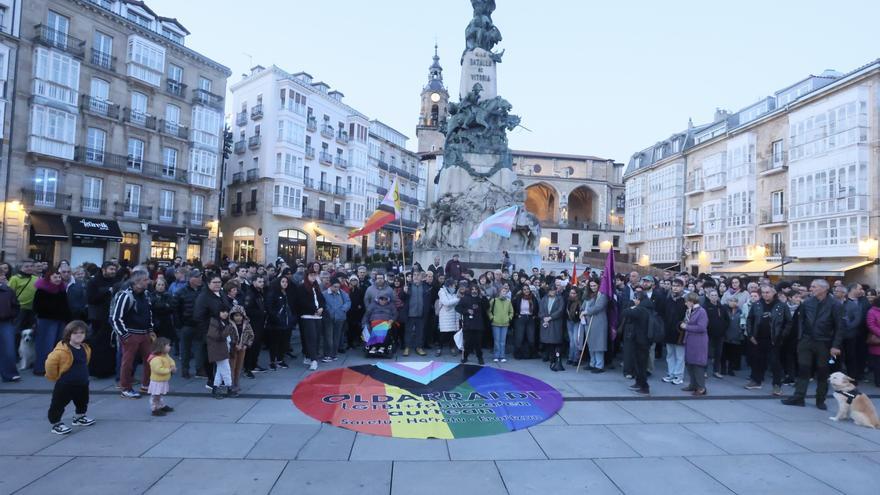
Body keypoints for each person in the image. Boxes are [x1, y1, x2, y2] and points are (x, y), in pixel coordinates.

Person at [782, 279, 844, 410]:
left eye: (814, 287)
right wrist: (800, 338)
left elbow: (840, 327)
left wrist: (836, 345)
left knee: (822, 372)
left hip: (824, 342)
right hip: (806, 340)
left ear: (824, 288)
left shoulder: (835, 304)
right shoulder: (807, 302)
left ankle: (820, 400)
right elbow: (800, 321)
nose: (811, 289)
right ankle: (799, 397)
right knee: (803, 369)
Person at [45, 321, 95, 434]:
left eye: (82, 333)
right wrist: (54, 376)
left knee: (82, 401)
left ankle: (79, 417)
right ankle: (56, 423)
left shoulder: (85, 348)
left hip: (82, 382)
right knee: (59, 403)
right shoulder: (62, 350)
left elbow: (85, 362)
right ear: (68, 335)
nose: (79, 335)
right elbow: (50, 363)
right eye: (75, 333)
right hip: (65, 383)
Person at [111, 271, 155, 399]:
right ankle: (125, 387)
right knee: (128, 362)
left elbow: (149, 313)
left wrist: (150, 329)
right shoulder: (126, 296)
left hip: (144, 333)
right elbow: (116, 317)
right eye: (146, 280)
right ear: (137, 282)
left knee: (150, 360)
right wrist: (125, 335)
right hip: (131, 334)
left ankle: (146, 385)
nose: (149, 282)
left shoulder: (146, 295)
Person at [744, 284, 791, 395]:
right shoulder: (757, 305)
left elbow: (788, 322)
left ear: (773, 293)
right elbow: (749, 320)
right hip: (758, 338)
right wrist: (750, 335)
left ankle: (776, 385)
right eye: (763, 292)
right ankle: (756, 381)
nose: (765, 295)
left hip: (774, 339)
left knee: (775, 363)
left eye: (768, 292)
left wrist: (782, 335)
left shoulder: (782, 306)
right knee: (757, 361)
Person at [31, 269, 71, 376]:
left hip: (60, 320)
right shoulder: (41, 291)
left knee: (58, 345)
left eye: (59, 277)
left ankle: (55, 367)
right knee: (45, 345)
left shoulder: (62, 290)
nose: (58, 279)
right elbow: (37, 307)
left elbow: (66, 306)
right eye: (55, 277)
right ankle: (41, 368)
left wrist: (68, 319)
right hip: (46, 320)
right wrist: (53, 310)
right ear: (49, 279)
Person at [193, 275, 231, 388]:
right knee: (210, 357)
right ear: (209, 283)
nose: (217, 284)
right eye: (214, 282)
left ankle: (219, 380)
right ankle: (211, 380)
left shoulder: (222, 294)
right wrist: (208, 331)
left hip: (222, 329)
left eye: (219, 282)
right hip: (210, 331)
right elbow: (198, 316)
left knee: (221, 356)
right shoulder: (204, 297)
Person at [174, 269, 203, 379]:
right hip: (186, 324)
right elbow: (175, 309)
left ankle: (199, 369)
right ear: (191, 279)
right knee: (185, 349)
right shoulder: (181, 292)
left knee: (199, 348)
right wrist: (179, 325)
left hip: (200, 324)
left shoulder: (203, 290)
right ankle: (185, 369)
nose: (200, 279)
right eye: (198, 277)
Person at [621, 292, 651, 394]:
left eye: (635, 299)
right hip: (641, 339)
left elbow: (625, 312)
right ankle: (639, 382)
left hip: (641, 340)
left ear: (639, 300)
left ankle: (644, 386)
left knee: (641, 364)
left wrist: (632, 306)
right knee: (638, 363)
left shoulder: (641, 309)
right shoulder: (646, 307)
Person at [296, 271, 325, 371]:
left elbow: (321, 299)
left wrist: (321, 308)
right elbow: (302, 302)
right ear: (307, 276)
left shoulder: (316, 287)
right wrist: (314, 310)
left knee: (317, 338)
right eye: (311, 275)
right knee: (311, 337)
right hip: (307, 316)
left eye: (315, 275)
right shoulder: (301, 287)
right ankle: (313, 360)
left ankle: (310, 356)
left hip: (318, 316)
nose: (313, 277)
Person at [681, 292, 709, 396]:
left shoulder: (701, 312)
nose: (685, 303)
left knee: (698, 364)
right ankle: (693, 384)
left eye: (686, 301)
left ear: (692, 301)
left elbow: (702, 328)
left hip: (699, 341)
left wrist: (687, 327)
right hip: (690, 340)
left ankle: (701, 387)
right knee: (690, 363)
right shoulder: (689, 311)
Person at [266, 276, 294, 370]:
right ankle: (272, 361)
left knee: (284, 342)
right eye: (283, 281)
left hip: (286, 322)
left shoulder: (288, 293)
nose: (285, 283)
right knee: (274, 343)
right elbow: (270, 308)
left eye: (286, 282)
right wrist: (276, 317)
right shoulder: (273, 293)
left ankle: (280, 360)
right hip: (275, 323)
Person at [206, 308, 235, 398]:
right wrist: (228, 329)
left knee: (220, 371)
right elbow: (218, 336)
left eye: (226, 311)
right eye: (223, 311)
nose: (225, 313)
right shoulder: (215, 322)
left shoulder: (220, 322)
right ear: (218, 312)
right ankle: (228, 388)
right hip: (218, 350)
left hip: (221, 350)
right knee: (226, 370)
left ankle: (215, 389)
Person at [456, 283, 487, 364]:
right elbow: (457, 308)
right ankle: (465, 357)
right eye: (472, 289)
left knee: (478, 343)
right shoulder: (465, 298)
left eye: (476, 289)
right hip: (468, 324)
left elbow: (487, 306)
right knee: (467, 343)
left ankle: (480, 358)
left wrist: (483, 297)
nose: (474, 291)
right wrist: (466, 311)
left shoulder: (480, 298)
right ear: (470, 290)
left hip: (478, 324)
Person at [243, 275, 268, 377]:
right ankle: (248, 367)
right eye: (259, 281)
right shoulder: (251, 293)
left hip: (260, 323)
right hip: (253, 323)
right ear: (253, 282)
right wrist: (261, 313)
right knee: (251, 346)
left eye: (262, 281)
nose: (262, 283)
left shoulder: (260, 293)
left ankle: (253, 364)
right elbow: (247, 309)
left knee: (257, 345)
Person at [703, 287, 729, 379]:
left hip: (720, 334)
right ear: (709, 297)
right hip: (708, 334)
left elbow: (727, 320)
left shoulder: (722, 307)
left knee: (718, 353)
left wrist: (723, 329)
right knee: (706, 353)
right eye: (712, 295)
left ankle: (716, 371)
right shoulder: (705, 307)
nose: (714, 297)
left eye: (715, 295)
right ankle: (704, 371)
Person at [323, 277, 351, 362]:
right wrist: (329, 310)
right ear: (330, 286)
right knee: (328, 337)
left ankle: (334, 354)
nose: (337, 288)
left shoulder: (342, 293)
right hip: (328, 318)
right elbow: (323, 304)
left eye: (338, 287)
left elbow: (348, 302)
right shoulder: (324, 294)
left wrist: (343, 309)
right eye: (335, 287)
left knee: (336, 337)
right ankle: (328, 354)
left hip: (340, 318)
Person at [402, 272, 430, 357]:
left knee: (420, 332)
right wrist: (404, 292)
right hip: (410, 314)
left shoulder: (425, 287)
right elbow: (401, 298)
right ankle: (407, 347)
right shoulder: (408, 286)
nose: (416, 277)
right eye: (414, 275)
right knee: (408, 332)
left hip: (421, 314)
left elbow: (428, 299)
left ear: (421, 277)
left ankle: (419, 347)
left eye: (418, 275)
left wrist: (426, 310)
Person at [539, 284, 565, 371]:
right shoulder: (544, 298)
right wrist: (544, 318)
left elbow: (560, 310)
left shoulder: (560, 298)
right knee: (548, 341)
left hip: (555, 322)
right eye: (550, 291)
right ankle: (551, 357)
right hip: (546, 321)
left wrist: (551, 317)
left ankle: (556, 359)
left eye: (553, 290)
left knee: (555, 341)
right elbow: (541, 310)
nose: (552, 292)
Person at [228, 306, 254, 392]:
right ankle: (230, 384)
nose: (238, 317)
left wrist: (246, 344)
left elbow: (251, 335)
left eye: (240, 315)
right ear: (232, 316)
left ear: (243, 316)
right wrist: (234, 345)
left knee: (239, 367)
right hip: (232, 350)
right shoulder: (230, 325)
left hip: (243, 348)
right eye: (236, 316)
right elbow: (228, 337)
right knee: (232, 367)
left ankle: (236, 382)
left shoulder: (247, 325)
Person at [147, 337, 176, 416]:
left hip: (162, 380)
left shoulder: (165, 355)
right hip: (157, 381)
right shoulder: (156, 359)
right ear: (162, 347)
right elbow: (158, 370)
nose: (170, 347)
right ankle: (155, 409)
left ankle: (161, 406)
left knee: (159, 395)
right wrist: (169, 370)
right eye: (168, 345)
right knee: (155, 396)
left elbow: (171, 361)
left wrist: (173, 365)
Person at [0, 272, 21, 382]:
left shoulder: (8, 291)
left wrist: (11, 314)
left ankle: (9, 373)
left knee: (8, 349)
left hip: (5, 322)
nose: (2, 277)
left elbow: (16, 306)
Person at [8, 259, 38, 335]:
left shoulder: (37, 279)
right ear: (21, 268)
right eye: (27, 266)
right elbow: (9, 293)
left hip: (32, 309)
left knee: (30, 331)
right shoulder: (15, 279)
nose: (29, 268)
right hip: (19, 309)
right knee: (16, 331)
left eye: (31, 266)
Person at [512, 284, 538, 359]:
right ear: (522, 291)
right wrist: (517, 315)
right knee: (519, 337)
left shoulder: (533, 298)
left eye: (527, 289)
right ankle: (517, 354)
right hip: (520, 318)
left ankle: (531, 354)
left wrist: (534, 316)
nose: (526, 290)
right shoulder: (518, 298)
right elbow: (513, 307)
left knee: (531, 338)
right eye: (524, 289)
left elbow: (537, 307)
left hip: (530, 318)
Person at [436, 278, 461, 356]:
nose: (455, 287)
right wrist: (457, 299)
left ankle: (452, 347)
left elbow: (454, 303)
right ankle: (439, 348)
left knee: (452, 333)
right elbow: (446, 303)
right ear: (449, 285)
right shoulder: (442, 291)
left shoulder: (454, 292)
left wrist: (455, 300)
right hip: (445, 316)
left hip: (454, 315)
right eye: (454, 285)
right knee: (443, 333)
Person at [489, 285, 514, 362]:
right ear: (499, 292)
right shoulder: (494, 300)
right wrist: (492, 317)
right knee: (497, 340)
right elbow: (489, 310)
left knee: (503, 341)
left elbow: (511, 311)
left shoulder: (508, 301)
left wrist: (509, 318)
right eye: (503, 291)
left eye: (505, 292)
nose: (504, 293)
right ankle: (496, 355)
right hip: (496, 323)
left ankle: (502, 356)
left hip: (505, 323)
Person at [150, 278, 176, 343]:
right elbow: (153, 307)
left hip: (166, 324)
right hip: (155, 323)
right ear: (155, 285)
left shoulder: (168, 296)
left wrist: (161, 306)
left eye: (162, 285)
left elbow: (171, 308)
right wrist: (164, 305)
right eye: (159, 285)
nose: (160, 287)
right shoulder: (151, 296)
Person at [346, 275, 367, 350]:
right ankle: (350, 343)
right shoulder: (348, 290)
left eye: (355, 280)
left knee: (357, 327)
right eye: (352, 280)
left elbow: (363, 300)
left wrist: (361, 305)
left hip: (358, 312)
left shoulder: (360, 290)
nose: (354, 282)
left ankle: (358, 342)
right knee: (350, 328)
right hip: (350, 312)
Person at [865, 296, 880, 387]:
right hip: (877, 341)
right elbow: (871, 325)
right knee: (878, 364)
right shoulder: (872, 312)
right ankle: (878, 382)